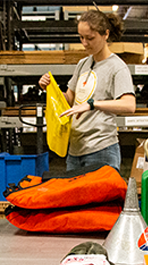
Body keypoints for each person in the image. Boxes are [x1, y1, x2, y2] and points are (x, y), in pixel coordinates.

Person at [38, 10, 135, 172]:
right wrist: (49, 89)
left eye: (90, 38)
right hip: (75, 150)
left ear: (105, 35)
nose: (84, 43)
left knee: (100, 198)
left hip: (101, 149)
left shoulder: (117, 67)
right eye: (81, 37)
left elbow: (129, 105)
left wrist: (92, 105)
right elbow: (69, 99)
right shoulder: (83, 64)